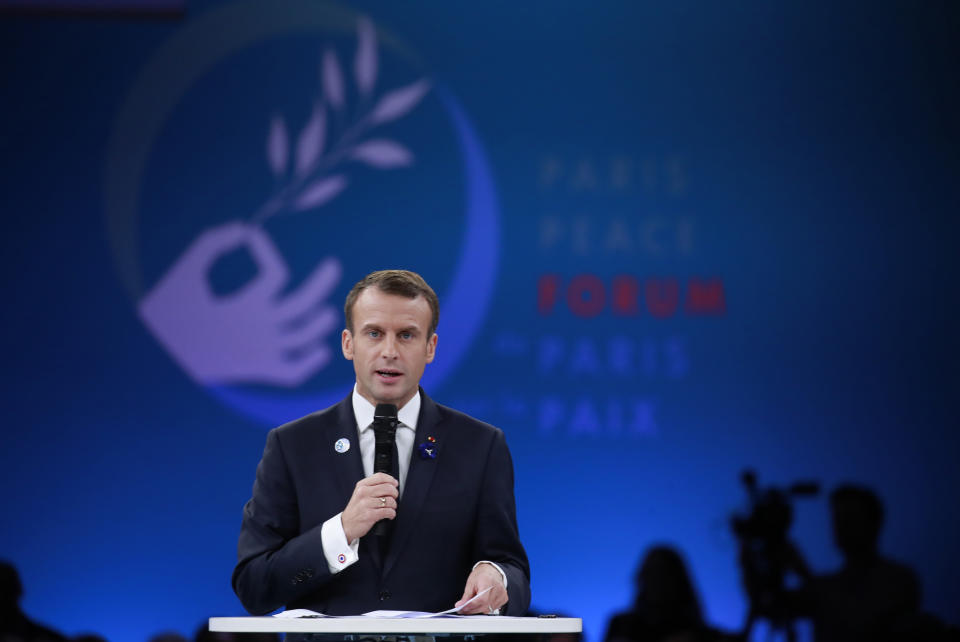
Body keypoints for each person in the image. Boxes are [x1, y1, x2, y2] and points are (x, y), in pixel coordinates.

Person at [232, 270, 530, 617]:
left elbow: (514, 571)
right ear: (348, 343)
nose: (390, 351)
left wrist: (496, 576)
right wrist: (340, 533)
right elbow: (253, 586)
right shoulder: (293, 446)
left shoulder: (480, 446)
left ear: (430, 347)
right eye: (374, 333)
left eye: (406, 335)